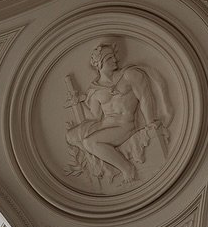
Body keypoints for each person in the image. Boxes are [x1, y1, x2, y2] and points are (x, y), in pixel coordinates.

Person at [64, 40, 170, 186]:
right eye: (109, 58)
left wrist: (150, 121)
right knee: (71, 136)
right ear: (99, 64)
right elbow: (94, 117)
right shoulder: (94, 91)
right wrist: (79, 102)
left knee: (90, 142)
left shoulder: (129, 75)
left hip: (124, 125)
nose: (115, 60)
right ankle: (102, 164)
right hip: (104, 125)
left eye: (114, 56)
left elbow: (145, 97)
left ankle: (127, 168)